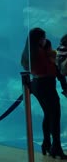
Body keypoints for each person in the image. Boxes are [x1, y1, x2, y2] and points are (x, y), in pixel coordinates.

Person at [21, 27, 67, 159]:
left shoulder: (29, 53)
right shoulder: (41, 52)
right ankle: (56, 147)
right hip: (46, 85)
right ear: (39, 39)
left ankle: (47, 143)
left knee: (48, 114)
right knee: (55, 115)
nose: (45, 39)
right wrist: (51, 53)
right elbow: (54, 67)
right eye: (43, 37)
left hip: (37, 85)